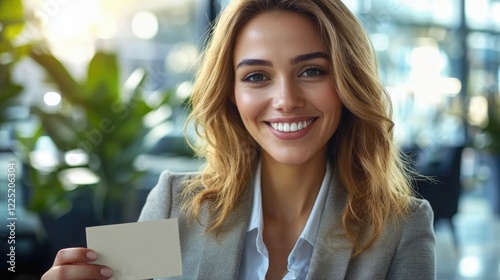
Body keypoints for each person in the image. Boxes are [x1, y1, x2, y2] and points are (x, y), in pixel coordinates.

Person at [42, 0, 436, 279]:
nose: (286, 101)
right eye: (256, 76)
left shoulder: (401, 229)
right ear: (231, 94)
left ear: (348, 83)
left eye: (312, 71)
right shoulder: (176, 205)